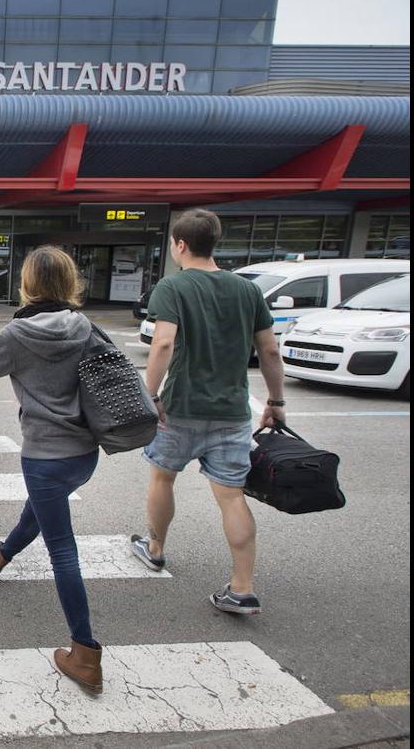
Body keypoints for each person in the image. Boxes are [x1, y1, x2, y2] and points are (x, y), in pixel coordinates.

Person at [0, 245, 105, 694]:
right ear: (70, 283)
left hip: (45, 454)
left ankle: (85, 652)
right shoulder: (85, 327)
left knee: (62, 549)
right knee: (43, 509)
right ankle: (1, 555)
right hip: (85, 453)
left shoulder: (19, 333)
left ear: (27, 284)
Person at [130, 209, 285, 615]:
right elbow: (269, 349)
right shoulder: (248, 291)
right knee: (231, 497)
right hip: (233, 411)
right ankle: (242, 587)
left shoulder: (174, 287)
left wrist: (150, 395)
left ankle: (156, 547)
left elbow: (162, 344)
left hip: (180, 408)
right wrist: (276, 401)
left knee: (163, 477)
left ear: (180, 244)